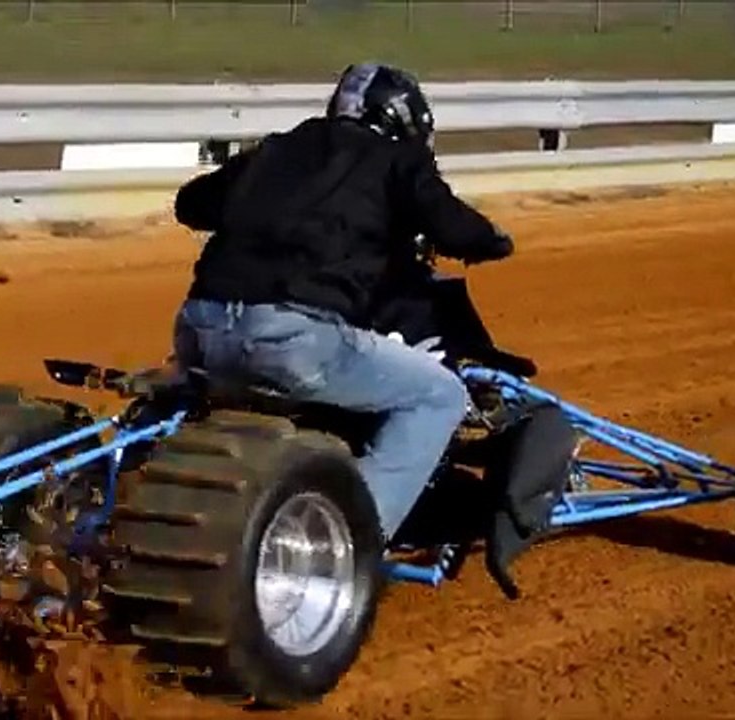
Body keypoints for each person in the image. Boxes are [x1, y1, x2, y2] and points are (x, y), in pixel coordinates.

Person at [169, 62, 514, 544]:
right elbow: (453, 227)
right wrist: (495, 240)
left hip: (199, 331)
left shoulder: (276, 148)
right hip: (289, 339)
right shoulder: (396, 161)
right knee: (440, 396)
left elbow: (191, 204)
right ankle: (351, 542)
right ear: (403, 122)